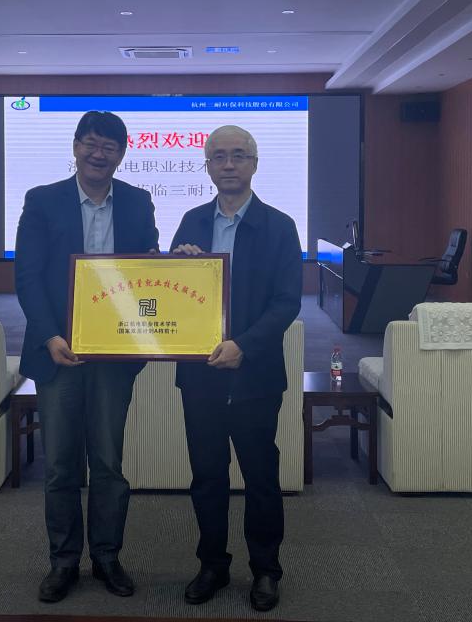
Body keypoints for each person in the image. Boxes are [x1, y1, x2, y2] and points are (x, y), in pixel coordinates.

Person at [15, 110, 158, 603]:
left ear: (121, 153)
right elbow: (28, 277)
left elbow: (147, 270)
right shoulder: (43, 200)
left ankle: (107, 557)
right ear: (76, 147)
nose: (99, 154)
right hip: (59, 353)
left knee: (108, 462)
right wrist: (49, 336)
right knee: (60, 465)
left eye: (109, 147)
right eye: (91, 144)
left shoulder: (138, 202)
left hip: (113, 354)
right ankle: (62, 562)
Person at [171, 125, 302, 613]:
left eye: (238, 156)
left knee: (261, 476)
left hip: (255, 375)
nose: (229, 164)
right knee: (207, 476)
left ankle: (266, 569)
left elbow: (286, 302)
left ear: (254, 163)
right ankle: (212, 564)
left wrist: (244, 346)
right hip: (200, 375)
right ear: (207, 165)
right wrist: (178, 264)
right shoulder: (190, 221)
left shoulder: (279, 226)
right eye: (219, 156)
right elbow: (172, 295)